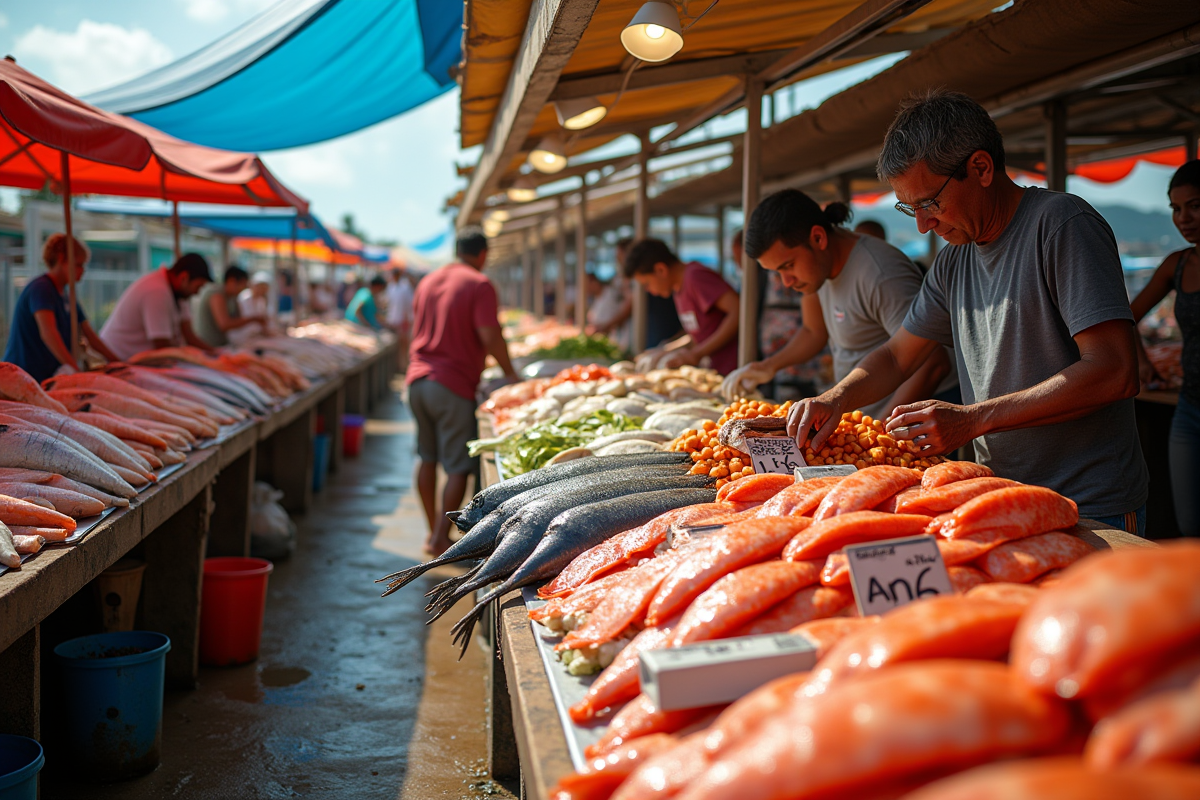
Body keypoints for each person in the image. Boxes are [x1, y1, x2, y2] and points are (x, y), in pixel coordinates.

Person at [787, 89, 1147, 533]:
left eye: (929, 202)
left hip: (1088, 503)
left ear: (980, 168)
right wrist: (834, 399)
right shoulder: (954, 261)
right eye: (910, 207)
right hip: (999, 495)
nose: (922, 224)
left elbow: (1114, 370)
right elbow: (897, 356)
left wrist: (973, 419)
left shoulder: (1061, 226)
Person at [723, 190, 956, 418]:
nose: (786, 282)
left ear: (818, 238)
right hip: (862, 416)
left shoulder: (881, 274)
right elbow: (813, 331)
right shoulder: (816, 272)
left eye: (788, 266)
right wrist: (767, 367)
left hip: (914, 421)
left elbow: (933, 364)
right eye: (776, 273)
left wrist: (880, 434)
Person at [408, 229, 518, 555]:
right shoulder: (479, 284)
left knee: (426, 457)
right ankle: (440, 537)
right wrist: (510, 373)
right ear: (483, 254)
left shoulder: (428, 281)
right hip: (451, 383)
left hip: (417, 381)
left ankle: (433, 531)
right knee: (457, 465)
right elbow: (489, 334)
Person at [1129, 159, 1200, 536]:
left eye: (1195, 206)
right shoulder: (1177, 264)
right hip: (1190, 409)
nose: (1183, 218)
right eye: (1176, 208)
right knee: (1189, 526)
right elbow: (1124, 318)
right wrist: (1143, 365)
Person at [3, 233, 120, 381]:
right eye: (79, 265)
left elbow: (90, 335)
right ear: (61, 259)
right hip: (24, 377)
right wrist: (75, 370)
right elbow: (49, 334)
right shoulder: (41, 289)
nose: (82, 270)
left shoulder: (66, 295)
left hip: (46, 376)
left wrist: (118, 362)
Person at [624, 238, 740, 374]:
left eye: (646, 284)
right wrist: (665, 350)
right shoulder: (678, 289)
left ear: (661, 270)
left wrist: (697, 354)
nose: (648, 290)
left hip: (732, 369)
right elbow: (699, 334)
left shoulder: (694, 277)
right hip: (714, 369)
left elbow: (738, 311)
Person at [101, 253, 216, 360]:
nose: (197, 293)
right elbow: (162, 347)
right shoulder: (156, 292)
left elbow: (189, 336)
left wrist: (218, 354)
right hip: (115, 359)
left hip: (137, 362)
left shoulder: (180, 294)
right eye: (198, 286)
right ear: (184, 277)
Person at [192, 266, 266, 347]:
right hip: (209, 347)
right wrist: (253, 319)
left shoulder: (232, 298)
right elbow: (224, 324)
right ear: (232, 281)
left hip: (222, 345)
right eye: (242, 285)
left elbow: (237, 319)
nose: (243, 289)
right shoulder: (216, 294)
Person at [384, 268, 414, 371]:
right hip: (392, 320)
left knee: (403, 345)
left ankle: (403, 366)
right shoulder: (391, 287)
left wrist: (408, 321)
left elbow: (409, 306)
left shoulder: (405, 288)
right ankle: (397, 366)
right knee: (394, 345)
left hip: (402, 321)